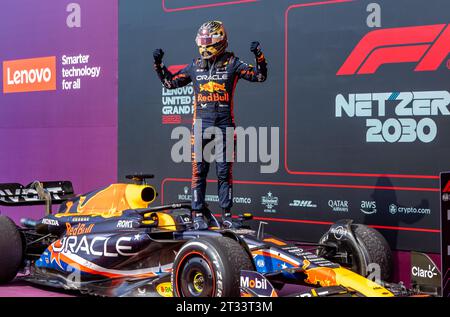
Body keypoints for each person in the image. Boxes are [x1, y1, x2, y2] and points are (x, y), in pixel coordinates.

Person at [153, 20, 267, 229]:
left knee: (224, 171)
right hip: (201, 126)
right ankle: (197, 215)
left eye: (208, 41)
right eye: (202, 41)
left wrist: (259, 56)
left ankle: (226, 216)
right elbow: (170, 83)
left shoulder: (233, 63)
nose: (204, 45)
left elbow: (260, 76)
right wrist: (159, 65)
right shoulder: (195, 66)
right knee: (200, 171)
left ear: (220, 40)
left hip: (225, 126)